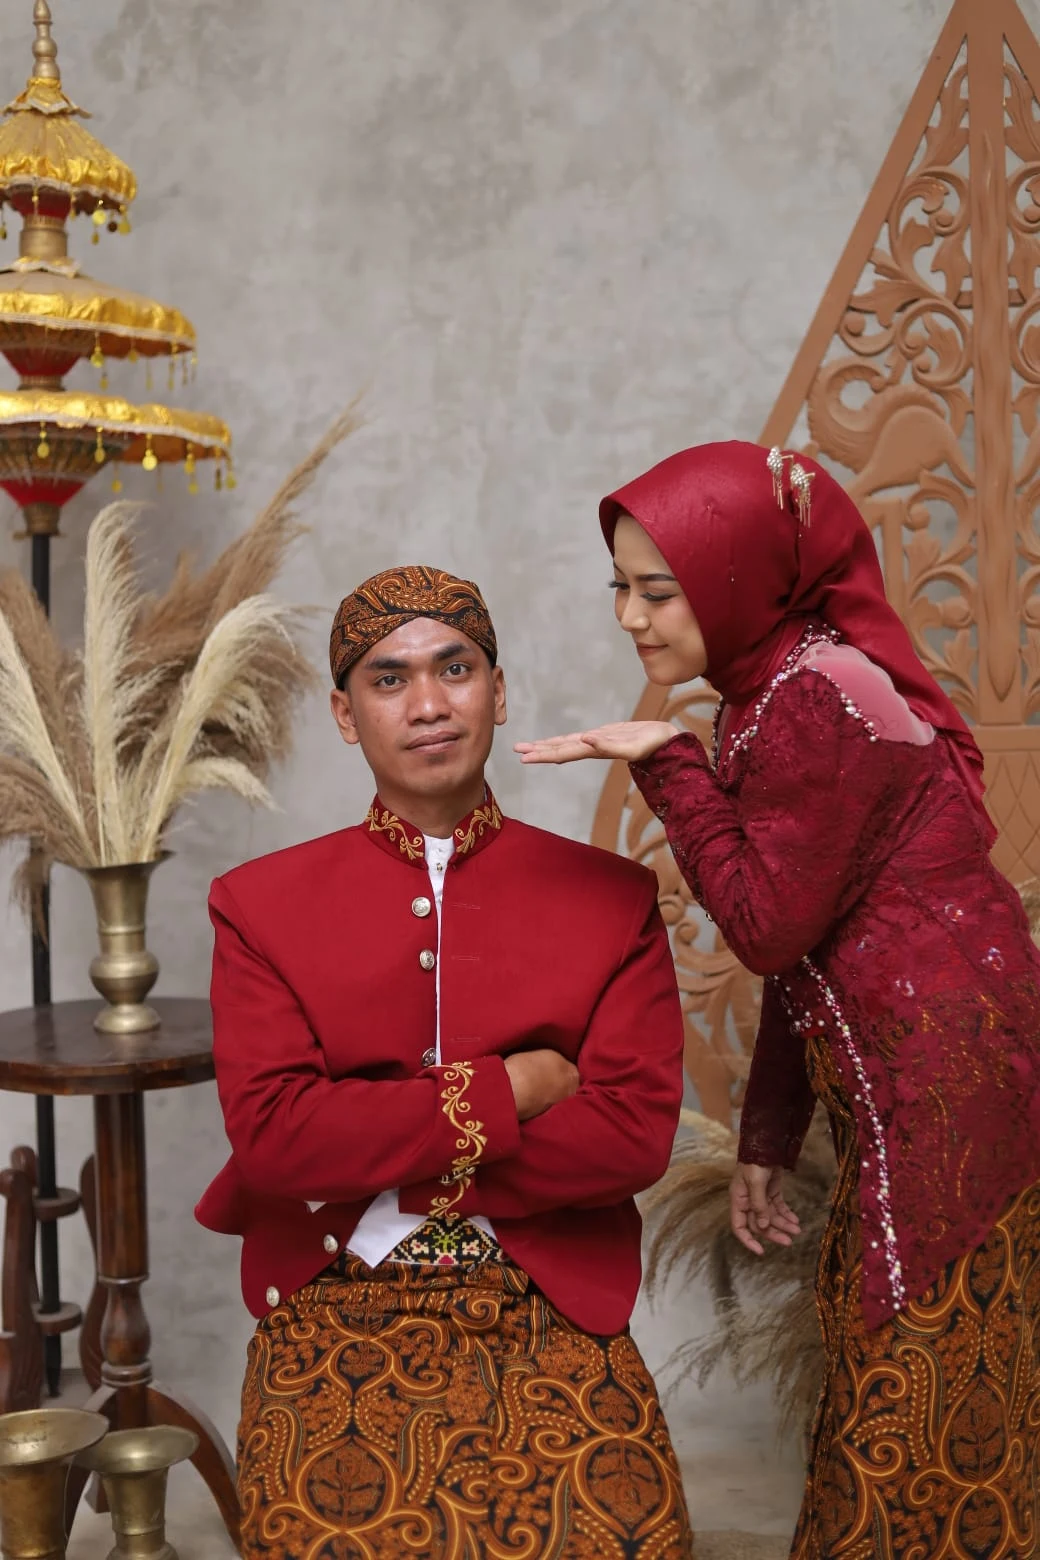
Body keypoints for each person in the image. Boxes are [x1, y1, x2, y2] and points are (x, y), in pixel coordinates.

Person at [516, 443, 1040, 1560]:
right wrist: (767, 1134)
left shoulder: (816, 697)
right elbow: (812, 947)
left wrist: (669, 764)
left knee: (914, 1359)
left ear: (738, 577)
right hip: (934, 1065)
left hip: (945, 1077)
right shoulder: (784, 686)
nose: (630, 617)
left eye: (658, 591)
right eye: (619, 586)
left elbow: (764, 926)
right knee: (909, 1351)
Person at [195, 564, 694, 1560]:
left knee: (625, 1542)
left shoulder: (611, 899)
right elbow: (278, 1143)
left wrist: (378, 1143)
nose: (428, 704)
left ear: (497, 692)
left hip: (545, 1291)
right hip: (335, 1286)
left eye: (455, 669)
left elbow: (631, 1138)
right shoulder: (258, 906)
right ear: (346, 715)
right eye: (389, 679)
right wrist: (514, 1089)